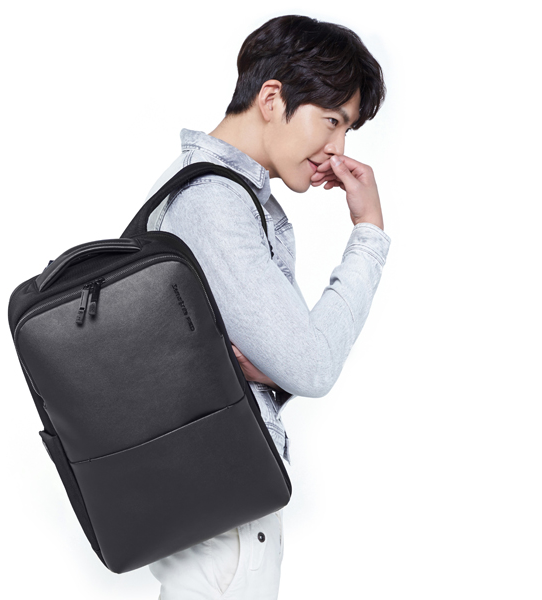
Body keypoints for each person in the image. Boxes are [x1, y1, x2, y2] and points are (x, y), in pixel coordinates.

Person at [146, 14, 391, 600]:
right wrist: (369, 233)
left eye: (347, 129)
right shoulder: (213, 201)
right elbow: (312, 364)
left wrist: (278, 366)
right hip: (223, 532)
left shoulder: (213, 192)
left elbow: (293, 359)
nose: (337, 148)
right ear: (273, 98)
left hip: (220, 517)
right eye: (332, 120)